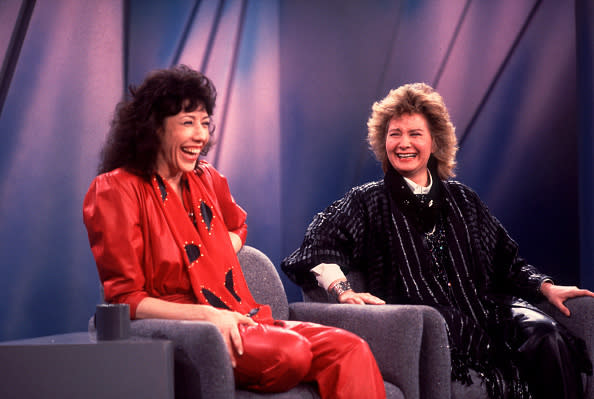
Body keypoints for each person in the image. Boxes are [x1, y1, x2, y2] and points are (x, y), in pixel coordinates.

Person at [82, 65, 385, 398]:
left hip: (243, 316)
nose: (201, 135)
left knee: (350, 348)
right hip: (187, 330)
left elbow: (237, 223)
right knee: (291, 353)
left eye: (204, 123)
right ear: (154, 128)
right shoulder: (116, 189)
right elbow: (126, 299)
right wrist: (209, 316)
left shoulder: (206, 179)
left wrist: (222, 244)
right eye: (187, 123)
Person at [281, 82, 593, 399]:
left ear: (434, 142)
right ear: (383, 141)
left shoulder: (462, 199)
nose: (404, 143)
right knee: (458, 328)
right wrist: (344, 291)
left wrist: (546, 287)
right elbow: (315, 248)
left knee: (547, 335)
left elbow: (506, 262)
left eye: (415, 133)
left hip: (483, 309)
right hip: (423, 319)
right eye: (395, 133)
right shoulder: (366, 201)